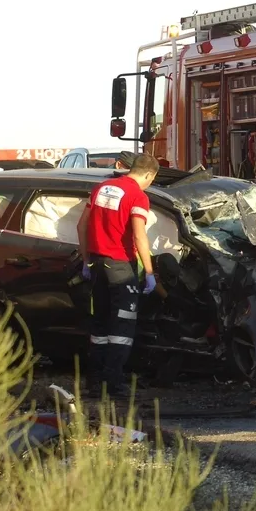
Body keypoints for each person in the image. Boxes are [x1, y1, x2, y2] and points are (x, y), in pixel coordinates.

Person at [77, 153, 161, 396]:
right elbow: (138, 235)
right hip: (120, 268)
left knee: (100, 322)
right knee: (122, 326)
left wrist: (85, 261)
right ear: (149, 175)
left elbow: (81, 226)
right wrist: (149, 271)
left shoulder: (102, 188)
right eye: (151, 180)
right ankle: (114, 383)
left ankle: (95, 383)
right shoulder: (138, 196)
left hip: (97, 265)